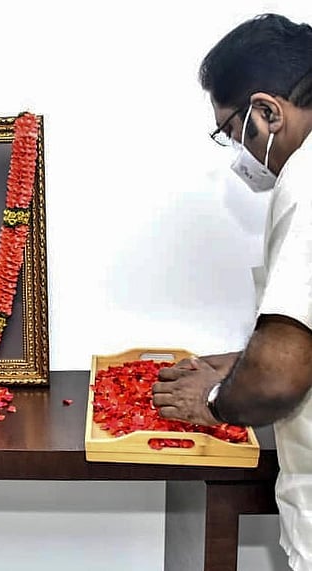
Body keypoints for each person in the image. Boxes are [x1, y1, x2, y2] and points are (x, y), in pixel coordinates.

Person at [151, 13, 312, 571]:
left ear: (267, 112)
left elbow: (279, 377)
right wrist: (241, 362)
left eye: (231, 131)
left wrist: (214, 401)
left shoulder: (306, 180)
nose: (236, 151)